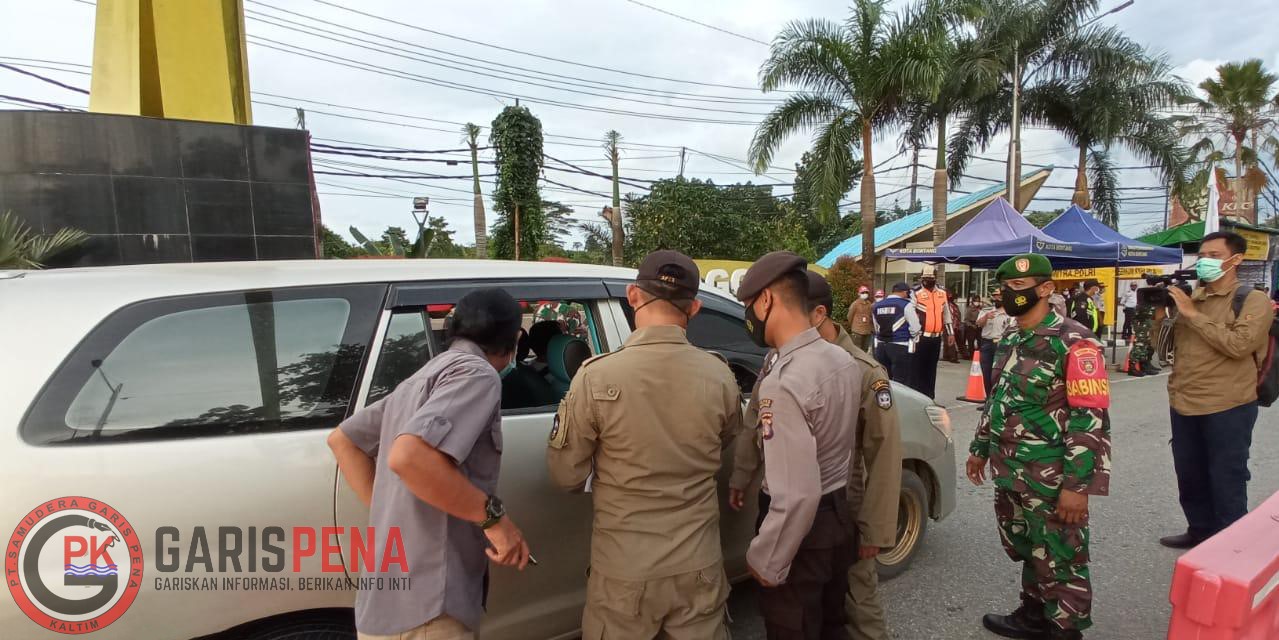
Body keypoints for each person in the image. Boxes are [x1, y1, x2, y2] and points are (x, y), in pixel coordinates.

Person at [546, 250, 744, 638]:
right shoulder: (720, 375)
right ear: (696, 307)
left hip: (625, 569)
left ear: (633, 295)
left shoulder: (595, 376)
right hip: (699, 563)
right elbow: (725, 446)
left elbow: (565, 475)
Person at [328, 288, 532, 640]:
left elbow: (343, 440)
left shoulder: (422, 377)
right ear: (514, 339)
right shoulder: (478, 375)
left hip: (387, 602)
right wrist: (496, 521)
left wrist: (392, 510)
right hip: (429, 610)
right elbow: (410, 457)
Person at [732, 272, 902, 640]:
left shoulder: (860, 368)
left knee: (857, 607)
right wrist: (742, 474)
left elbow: (883, 454)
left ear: (818, 313)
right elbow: (754, 424)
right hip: (819, 508)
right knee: (827, 615)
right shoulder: (780, 360)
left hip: (843, 507)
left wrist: (875, 527)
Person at [966, 254, 1112, 640]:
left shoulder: (1077, 342)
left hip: (1051, 471)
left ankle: (1066, 628)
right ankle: (1034, 614)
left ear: (1045, 289)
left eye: (1017, 287)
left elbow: (1089, 420)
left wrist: (1077, 487)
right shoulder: (1012, 335)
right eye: (1005, 288)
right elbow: (998, 397)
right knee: (1029, 544)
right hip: (1010, 466)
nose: (1008, 295)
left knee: (1062, 553)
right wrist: (979, 446)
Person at [1159, 231, 1274, 550]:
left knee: (1227, 475)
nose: (1204, 261)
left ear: (1235, 260)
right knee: (1189, 472)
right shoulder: (1193, 297)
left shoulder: (1252, 300)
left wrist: (1193, 315)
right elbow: (1168, 350)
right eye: (1202, 255)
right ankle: (1199, 529)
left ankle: (1231, 542)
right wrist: (1162, 316)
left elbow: (1240, 345)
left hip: (1230, 403)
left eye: (1213, 255)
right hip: (1184, 400)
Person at [909, 265, 955, 398]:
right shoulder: (915, 292)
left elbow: (946, 313)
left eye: (930, 278)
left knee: (931, 370)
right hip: (920, 337)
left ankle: (930, 397)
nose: (927, 280)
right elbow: (909, 313)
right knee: (918, 369)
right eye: (925, 278)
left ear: (935, 278)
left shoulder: (942, 293)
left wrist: (950, 333)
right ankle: (918, 398)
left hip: (936, 338)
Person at [872, 283, 920, 388]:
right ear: (904, 292)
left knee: (884, 379)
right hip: (900, 345)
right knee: (901, 381)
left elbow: (876, 327)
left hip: (881, 346)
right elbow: (916, 327)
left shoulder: (877, 305)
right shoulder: (906, 305)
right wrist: (912, 336)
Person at [976, 288, 1012, 394]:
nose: (997, 298)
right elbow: (978, 324)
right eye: (995, 296)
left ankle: (997, 399)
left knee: (998, 373)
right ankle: (988, 399)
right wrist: (986, 317)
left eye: (1000, 296)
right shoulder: (986, 311)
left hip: (1001, 344)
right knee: (986, 372)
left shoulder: (1010, 313)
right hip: (986, 343)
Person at [847, 285, 875, 353]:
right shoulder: (855, 304)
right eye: (863, 292)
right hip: (857, 331)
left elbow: (871, 316)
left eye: (866, 292)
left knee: (865, 350)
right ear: (859, 294)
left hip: (867, 331)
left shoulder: (869, 304)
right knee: (857, 350)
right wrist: (854, 326)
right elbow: (849, 316)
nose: (865, 294)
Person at [961, 294, 984, 359]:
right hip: (971, 327)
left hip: (979, 326)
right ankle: (972, 356)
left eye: (978, 301)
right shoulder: (969, 309)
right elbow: (966, 320)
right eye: (976, 301)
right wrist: (972, 325)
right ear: (973, 301)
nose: (977, 302)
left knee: (980, 341)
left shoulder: (981, 308)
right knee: (971, 342)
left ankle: (980, 355)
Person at [943, 296, 963, 363]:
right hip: (949, 325)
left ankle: (947, 356)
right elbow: (950, 316)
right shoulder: (949, 305)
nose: (956, 300)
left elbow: (957, 316)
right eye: (955, 298)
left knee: (948, 340)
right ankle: (952, 357)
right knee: (950, 341)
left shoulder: (954, 306)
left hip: (953, 325)